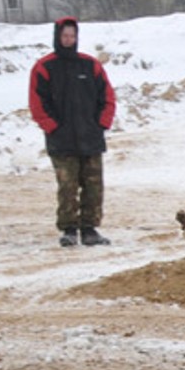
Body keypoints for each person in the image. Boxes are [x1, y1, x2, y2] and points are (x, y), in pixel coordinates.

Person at [28, 16, 117, 247]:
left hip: (90, 137)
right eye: (65, 36)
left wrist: (101, 124)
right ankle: (69, 229)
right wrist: (52, 127)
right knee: (67, 187)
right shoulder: (44, 67)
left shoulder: (90, 65)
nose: (69, 39)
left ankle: (90, 229)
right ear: (58, 37)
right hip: (61, 140)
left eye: (72, 36)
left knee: (93, 186)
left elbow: (107, 97)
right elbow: (37, 103)